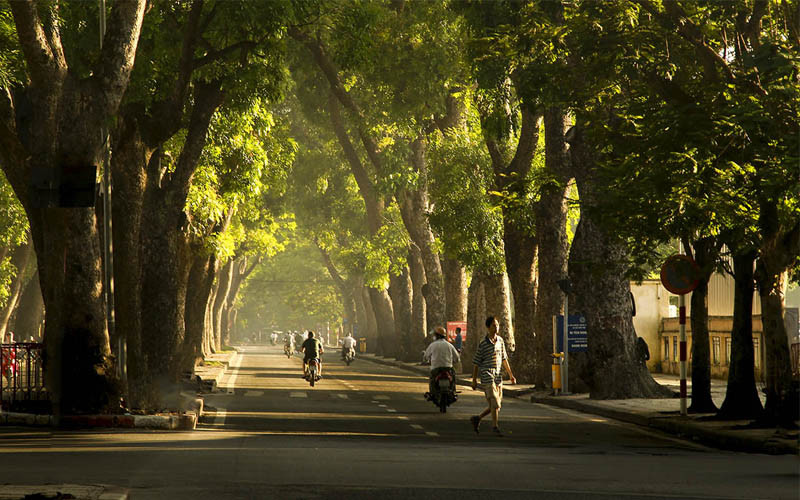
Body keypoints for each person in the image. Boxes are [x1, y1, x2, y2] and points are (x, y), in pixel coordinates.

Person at [470, 316, 516, 436]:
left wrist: (511, 375)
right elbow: (476, 362)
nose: (496, 327)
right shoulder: (483, 343)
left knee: (495, 406)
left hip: (498, 376)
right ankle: (495, 427)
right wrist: (474, 380)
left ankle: (477, 418)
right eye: (493, 325)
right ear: (488, 327)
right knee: (495, 402)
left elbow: (504, 359)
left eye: (497, 325)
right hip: (487, 375)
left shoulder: (500, 341)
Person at [423, 326, 460, 396]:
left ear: (436, 335)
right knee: (453, 377)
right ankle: (453, 390)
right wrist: (455, 361)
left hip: (436, 368)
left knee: (432, 378)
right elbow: (457, 358)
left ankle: (432, 392)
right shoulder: (449, 345)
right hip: (448, 368)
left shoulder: (432, 345)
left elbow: (426, 356)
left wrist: (426, 360)